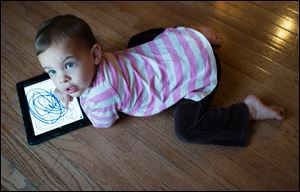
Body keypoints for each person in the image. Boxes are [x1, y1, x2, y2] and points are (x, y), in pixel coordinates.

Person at [35, 14, 284, 147]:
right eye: (51, 72)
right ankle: (196, 34)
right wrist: (68, 86)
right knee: (136, 42)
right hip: (180, 46)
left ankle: (248, 111)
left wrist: (71, 96)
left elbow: (104, 123)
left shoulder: (100, 97)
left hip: (199, 72)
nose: (62, 79)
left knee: (187, 131)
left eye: (68, 65)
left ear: (96, 54)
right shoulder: (104, 58)